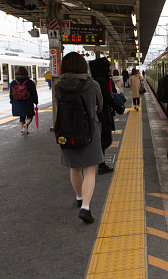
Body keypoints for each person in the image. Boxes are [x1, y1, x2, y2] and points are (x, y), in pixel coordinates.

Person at [54, 52, 103, 223]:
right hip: (89, 131)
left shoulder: (58, 86)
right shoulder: (92, 84)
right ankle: (86, 208)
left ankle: (79, 197)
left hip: (67, 132)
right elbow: (100, 106)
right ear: (83, 66)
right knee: (90, 170)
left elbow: (59, 107)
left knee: (74, 167)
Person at [89, 58, 125, 174]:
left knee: (103, 139)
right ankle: (97, 161)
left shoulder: (95, 80)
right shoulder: (101, 81)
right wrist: (120, 109)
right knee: (106, 139)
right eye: (107, 67)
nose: (109, 70)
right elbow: (108, 99)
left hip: (99, 113)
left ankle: (101, 164)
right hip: (102, 114)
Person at [10, 66, 38, 135]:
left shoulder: (13, 82)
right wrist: (36, 101)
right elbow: (34, 93)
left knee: (21, 116)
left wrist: (12, 101)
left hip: (17, 102)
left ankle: (23, 130)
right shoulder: (30, 82)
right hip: (28, 101)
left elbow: (11, 94)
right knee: (30, 116)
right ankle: (26, 125)